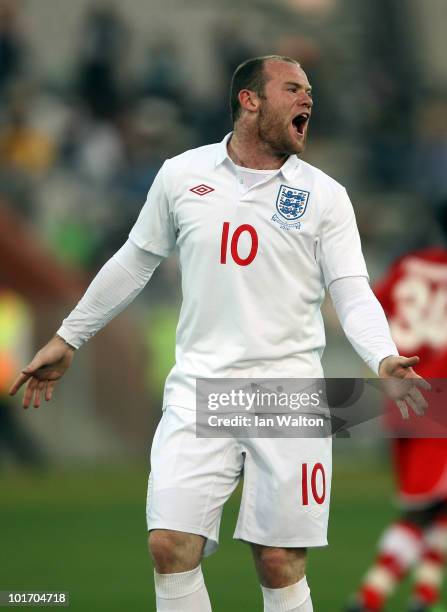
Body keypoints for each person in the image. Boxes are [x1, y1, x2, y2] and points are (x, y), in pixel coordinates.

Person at [9, 55, 429, 612]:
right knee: (169, 544)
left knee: (279, 561)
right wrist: (69, 337)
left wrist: (381, 357)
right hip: (200, 391)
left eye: (310, 91)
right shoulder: (182, 176)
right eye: (292, 89)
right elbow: (135, 262)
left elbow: (351, 289)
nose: (308, 99)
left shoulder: (327, 197)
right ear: (249, 100)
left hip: (290, 396)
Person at [346, 245, 447, 612]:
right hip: (439, 398)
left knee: (435, 503)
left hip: (402, 398)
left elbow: (369, 310)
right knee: (422, 509)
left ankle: (425, 595)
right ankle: (369, 596)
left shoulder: (407, 266)